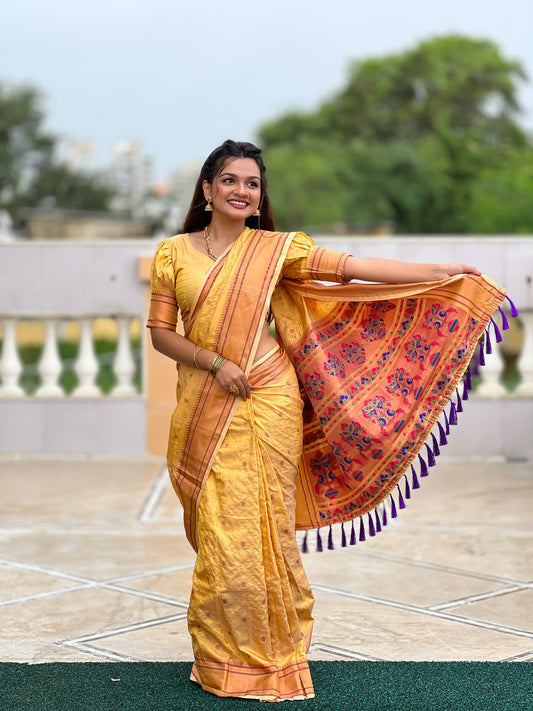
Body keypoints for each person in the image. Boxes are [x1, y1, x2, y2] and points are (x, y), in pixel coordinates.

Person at [146, 139, 506, 702]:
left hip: (269, 397)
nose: (243, 191)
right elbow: (163, 333)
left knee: (265, 523)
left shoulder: (275, 250)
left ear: (261, 197)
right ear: (208, 190)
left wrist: (436, 272)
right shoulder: (173, 254)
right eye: (231, 181)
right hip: (206, 397)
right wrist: (215, 363)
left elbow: (352, 268)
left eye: (253, 183)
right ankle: (221, 657)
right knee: (219, 529)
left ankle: (277, 656)